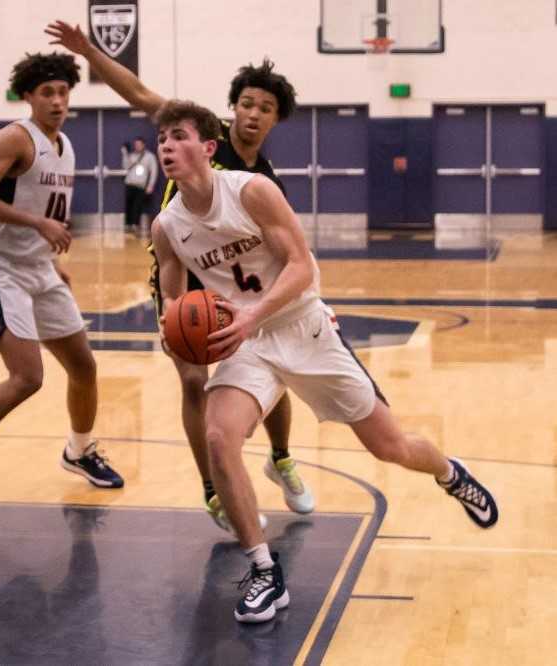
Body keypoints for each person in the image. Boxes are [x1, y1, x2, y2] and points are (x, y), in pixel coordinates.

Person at [150, 99, 498, 623]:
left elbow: (300, 268)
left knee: (392, 446)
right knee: (220, 437)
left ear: (207, 147)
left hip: (305, 327)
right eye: (161, 140)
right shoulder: (167, 226)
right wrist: (174, 329)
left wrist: (249, 314)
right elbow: (174, 302)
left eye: (178, 136)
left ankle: (451, 472)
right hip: (249, 345)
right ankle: (265, 569)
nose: (167, 147)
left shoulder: (251, 192)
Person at [46, 20, 312, 530]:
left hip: (240, 286)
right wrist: (88, 51)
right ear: (233, 106)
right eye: (247, 103)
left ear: (276, 120)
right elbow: (140, 93)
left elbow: (288, 254)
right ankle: (213, 490)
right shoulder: (200, 134)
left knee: (276, 371)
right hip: (183, 279)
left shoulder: (264, 180)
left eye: (266, 108)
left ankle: (280, 459)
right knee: (193, 382)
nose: (253, 114)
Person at [0, 52, 124, 518]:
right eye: (47, 93)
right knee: (27, 377)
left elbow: (47, 211)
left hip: (39, 269)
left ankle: (79, 451)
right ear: (28, 97)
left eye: (62, 92)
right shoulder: (15, 137)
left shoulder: (66, 145)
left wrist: (51, 261)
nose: (57, 100)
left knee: (84, 366)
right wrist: (37, 224)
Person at [121, 136, 157, 233]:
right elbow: (125, 167)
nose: (137, 146)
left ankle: (135, 225)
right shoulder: (132, 156)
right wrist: (124, 154)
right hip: (130, 183)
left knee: (137, 205)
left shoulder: (150, 157)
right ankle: (127, 225)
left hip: (141, 185)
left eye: (139, 144)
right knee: (128, 205)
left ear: (143, 145)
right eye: (136, 145)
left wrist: (150, 185)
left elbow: (154, 171)